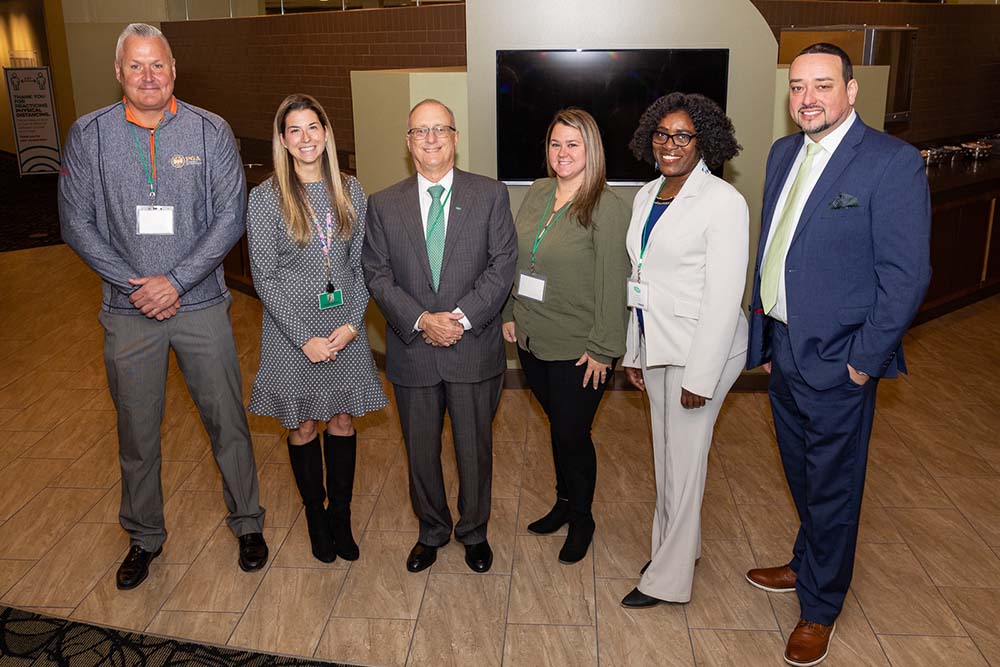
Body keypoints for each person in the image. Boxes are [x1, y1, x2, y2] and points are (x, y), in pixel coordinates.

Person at [58, 23, 268, 590]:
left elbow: (230, 216)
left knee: (227, 420)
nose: (148, 76)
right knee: (137, 430)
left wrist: (174, 280)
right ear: (119, 73)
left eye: (157, 65)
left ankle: (248, 522)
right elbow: (75, 223)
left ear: (174, 70)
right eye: (135, 66)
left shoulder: (210, 131)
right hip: (128, 313)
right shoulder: (89, 134)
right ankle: (144, 536)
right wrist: (136, 284)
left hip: (200, 304)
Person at [745, 43, 931, 667]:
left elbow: (906, 276)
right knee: (802, 472)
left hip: (842, 359)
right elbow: (776, 249)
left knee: (834, 484)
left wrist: (864, 359)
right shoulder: (781, 154)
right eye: (797, 87)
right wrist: (768, 338)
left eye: (822, 85)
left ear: (851, 91)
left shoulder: (889, 162)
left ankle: (820, 606)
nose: (807, 98)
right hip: (786, 348)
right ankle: (806, 562)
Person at [362, 99, 518, 574]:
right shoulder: (383, 204)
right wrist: (421, 319)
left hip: (472, 348)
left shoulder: (490, 195)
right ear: (408, 144)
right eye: (419, 131)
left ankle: (474, 532)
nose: (430, 139)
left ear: (455, 138)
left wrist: (460, 318)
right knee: (420, 451)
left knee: (474, 450)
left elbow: (502, 265)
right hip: (413, 351)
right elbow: (377, 272)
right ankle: (432, 529)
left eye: (440, 130)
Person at [617, 93, 748, 608]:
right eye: (662, 134)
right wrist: (635, 350)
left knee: (685, 463)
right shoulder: (649, 192)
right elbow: (640, 279)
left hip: (703, 351)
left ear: (705, 143)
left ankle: (667, 580)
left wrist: (701, 376)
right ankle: (679, 548)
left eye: (683, 136)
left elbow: (723, 295)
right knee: (666, 458)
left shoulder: (723, 202)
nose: (670, 145)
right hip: (658, 343)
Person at [246, 94, 387, 563]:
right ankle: (315, 516)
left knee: (343, 420)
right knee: (304, 425)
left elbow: (366, 266)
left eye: (313, 128)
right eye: (294, 131)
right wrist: (304, 338)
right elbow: (263, 277)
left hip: (344, 328)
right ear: (283, 141)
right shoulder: (266, 198)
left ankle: (340, 518)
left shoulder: (352, 190)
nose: (305, 139)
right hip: (292, 335)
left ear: (326, 133)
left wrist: (350, 325)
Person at [500, 108, 630, 563]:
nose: (562, 153)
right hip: (534, 339)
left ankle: (583, 518)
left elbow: (613, 281)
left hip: (580, 349)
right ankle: (562, 502)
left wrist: (603, 349)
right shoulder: (537, 192)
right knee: (558, 428)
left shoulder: (607, 207)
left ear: (591, 150)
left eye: (573, 144)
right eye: (556, 143)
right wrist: (511, 309)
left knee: (573, 434)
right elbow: (518, 258)